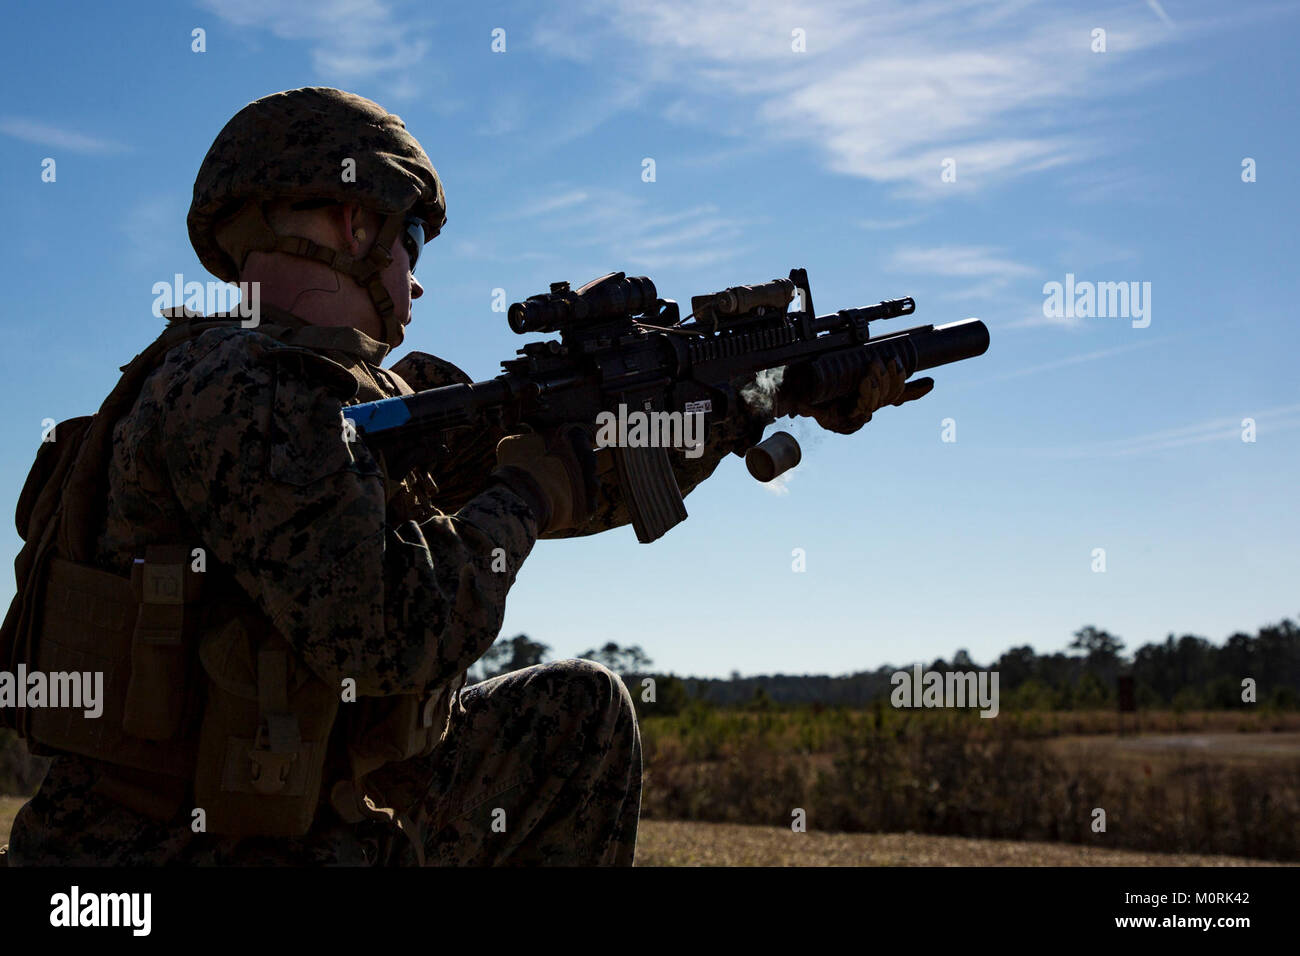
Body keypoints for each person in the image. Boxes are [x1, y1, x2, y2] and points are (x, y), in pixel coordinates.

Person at [1, 87, 925, 867]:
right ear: (355, 223)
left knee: (574, 713)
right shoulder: (254, 393)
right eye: (411, 243)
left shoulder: (332, 393)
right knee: (582, 712)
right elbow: (391, 637)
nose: (415, 277)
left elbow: (595, 479)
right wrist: (526, 494)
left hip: (269, 797)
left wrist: (763, 396)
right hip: (165, 848)